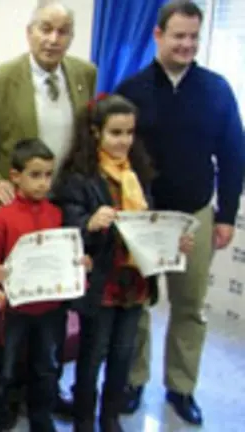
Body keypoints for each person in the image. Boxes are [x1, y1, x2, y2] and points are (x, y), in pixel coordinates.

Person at [0, 2, 97, 418]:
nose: (53, 39)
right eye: (45, 29)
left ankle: (45, 391)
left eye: (63, 31)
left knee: (52, 312)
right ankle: (4, 399)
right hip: (15, 214)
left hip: (62, 214)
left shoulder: (84, 75)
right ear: (29, 31)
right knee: (15, 315)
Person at [116, 1, 245, 425]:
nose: (187, 44)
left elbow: (233, 154)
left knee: (190, 307)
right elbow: (114, 154)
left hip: (195, 214)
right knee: (136, 305)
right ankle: (133, 380)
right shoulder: (131, 89)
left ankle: (181, 387)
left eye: (194, 36)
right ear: (158, 35)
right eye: (178, 36)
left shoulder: (217, 89)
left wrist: (226, 214)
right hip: (143, 219)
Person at [53, 95, 195, 432]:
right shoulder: (79, 177)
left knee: (123, 355)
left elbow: (151, 224)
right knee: (92, 355)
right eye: (115, 133)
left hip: (135, 282)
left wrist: (173, 241)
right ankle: (84, 419)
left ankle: (111, 416)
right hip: (102, 283)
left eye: (129, 133)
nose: (124, 141)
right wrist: (89, 221)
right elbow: (67, 225)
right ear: (95, 133)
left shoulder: (138, 174)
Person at [0, 139, 87, 432]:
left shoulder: (57, 213)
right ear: (15, 176)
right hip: (15, 308)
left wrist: (80, 265)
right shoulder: (2, 217)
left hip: (51, 307)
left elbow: (67, 254)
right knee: (5, 367)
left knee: (47, 366)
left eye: (48, 175)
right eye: (35, 175)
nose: (43, 183)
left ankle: (42, 417)